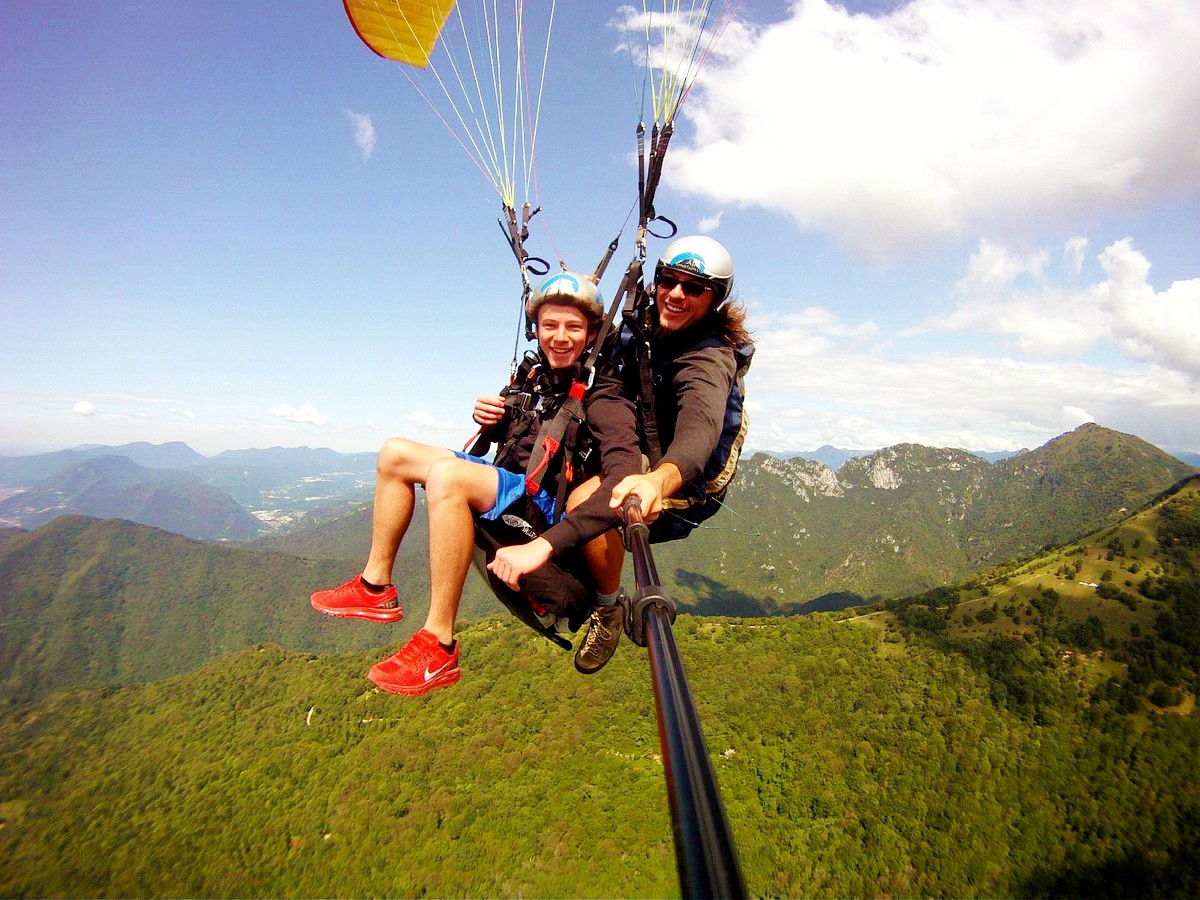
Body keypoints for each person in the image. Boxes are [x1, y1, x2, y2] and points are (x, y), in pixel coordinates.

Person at [310, 271, 639, 695]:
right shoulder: (535, 378)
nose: (560, 337)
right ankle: (376, 586)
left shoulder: (604, 396)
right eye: (549, 326)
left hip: (541, 509)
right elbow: (526, 442)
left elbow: (624, 472)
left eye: (573, 327)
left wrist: (553, 540)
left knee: (446, 476)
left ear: (592, 333)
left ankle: (439, 643)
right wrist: (497, 421)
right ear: (535, 330)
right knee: (394, 453)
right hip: (514, 483)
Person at [490, 235, 753, 674]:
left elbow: (698, 434)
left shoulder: (709, 360)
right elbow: (598, 367)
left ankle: (609, 609)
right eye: (669, 280)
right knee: (563, 474)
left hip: (689, 478)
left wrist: (656, 480)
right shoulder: (638, 324)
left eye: (694, 288)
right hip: (643, 446)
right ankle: (584, 557)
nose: (676, 294)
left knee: (592, 501)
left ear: (716, 298)